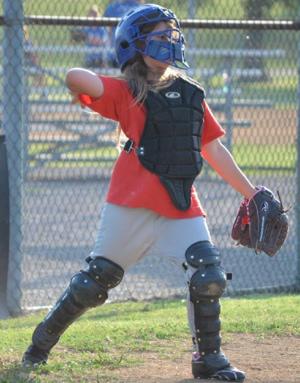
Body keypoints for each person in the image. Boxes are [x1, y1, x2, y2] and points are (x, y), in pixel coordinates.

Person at [22, 4, 256, 381]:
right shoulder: (127, 92)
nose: (169, 41)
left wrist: (252, 193)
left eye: (171, 35)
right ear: (135, 45)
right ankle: (39, 345)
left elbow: (212, 148)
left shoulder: (191, 95)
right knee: (91, 285)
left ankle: (208, 359)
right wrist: (119, 79)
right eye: (159, 36)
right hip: (130, 205)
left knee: (208, 274)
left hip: (181, 204)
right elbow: (75, 77)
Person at [103, 0, 144, 67]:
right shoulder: (139, 7)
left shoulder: (114, 6)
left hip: (117, 50)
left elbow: (108, 30)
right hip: (134, 52)